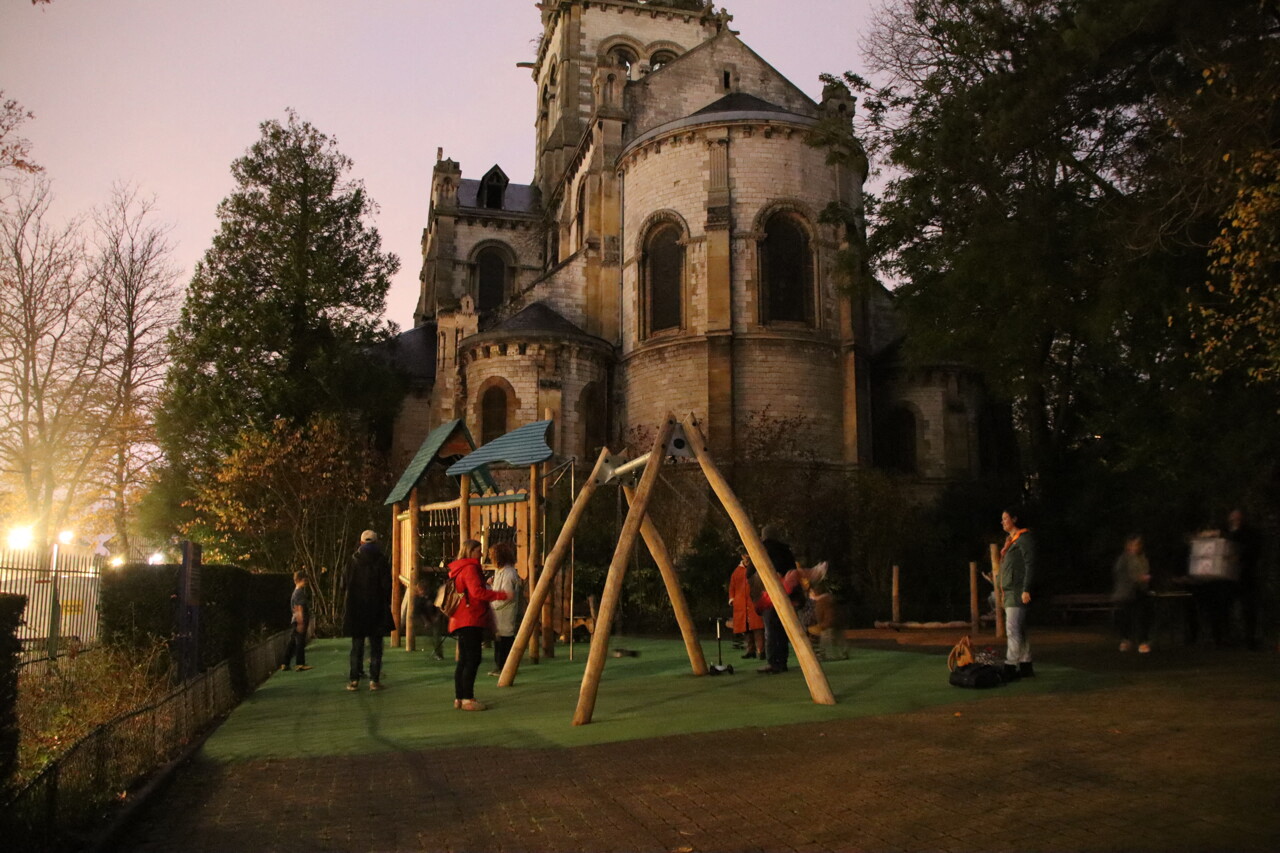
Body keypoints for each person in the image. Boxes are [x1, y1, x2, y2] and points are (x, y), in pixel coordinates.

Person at [448, 539, 509, 710]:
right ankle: (468, 697)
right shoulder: (470, 568)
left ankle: (459, 697)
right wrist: (500, 595)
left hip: (461, 617)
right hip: (471, 617)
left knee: (464, 660)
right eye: (478, 550)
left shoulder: (459, 568)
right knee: (473, 658)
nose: (481, 554)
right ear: (470, 551)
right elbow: (477, 592)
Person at [343, 529, 393, 692]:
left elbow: (345, 584)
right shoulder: (382, 560)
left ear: (361, 542)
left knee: (357, 646)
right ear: (376, 542)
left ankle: (354, 680)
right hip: (377, 608)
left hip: (357, 608)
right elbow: (387, 586)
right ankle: (374, 680)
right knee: (376, 646)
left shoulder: (353, 560)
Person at [754, 524, 798, 675]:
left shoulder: (764, 549)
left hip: (771, 594)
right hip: (787, 593)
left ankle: (773, 662)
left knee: (771, 629)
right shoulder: (786, 550)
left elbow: (753, 570)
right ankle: (782, 661)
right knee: (782, 628)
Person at [998, 508, 1035, 679]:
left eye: (1006, 518)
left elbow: (1030, 563)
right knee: (1019, 628)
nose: (1003, 522)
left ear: (1014, 519)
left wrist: (1026, 588)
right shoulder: (1011, 541)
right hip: (1010, 590)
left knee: (1012, 629)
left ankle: (1011, 665)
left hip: (1017, 590)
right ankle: (1026, 664)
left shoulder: (1023, 539)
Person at [1226, 509, 1263, 650]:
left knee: (1248, 607)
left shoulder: (1250, 533)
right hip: (1229, 577)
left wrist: (1240, 559)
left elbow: (1253, 551)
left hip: (1246, 575)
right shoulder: (1228, 532)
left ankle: (1250, 638)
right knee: (1231, 607)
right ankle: (1232, 637)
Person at [1112, 534, 1153, 653]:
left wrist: (1144, 580)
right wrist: (1140, 578)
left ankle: (1142, 642)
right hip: (1127, 592)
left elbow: (1145, 571)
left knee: (1143, 617)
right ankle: (1126, 640)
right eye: (1134, 544)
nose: (1137, 546)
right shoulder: (1124, 558)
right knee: (1126, 618)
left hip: (1140, 591)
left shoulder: (1142, 558)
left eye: (1139, 544)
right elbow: (1126, 574)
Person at [488, 541, 521, 677]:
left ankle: (505, 667)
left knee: (505, 639)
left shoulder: (508, 573)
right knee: (498, 639)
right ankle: (499, 666)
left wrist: (493, 605)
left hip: (504, 611)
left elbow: (507, 595)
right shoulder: (500, 571)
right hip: (498, 611)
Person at [728, 549, 763, 659]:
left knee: (758, 628)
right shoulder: (737, 572)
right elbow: (732, 587)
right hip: (742, 604)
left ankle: (761, 650)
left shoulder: (756, 568)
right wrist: (733, 599)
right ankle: (750, 650)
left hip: (754, 602)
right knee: (746, 629)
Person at [281, 570, 313, 671]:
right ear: (300, 580)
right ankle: (300, 664)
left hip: (296, 620)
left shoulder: (295, 592)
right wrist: (301, 621)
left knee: (292, 642)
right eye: (305, 579)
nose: (306, 581)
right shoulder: (299, 593)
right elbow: (299, 607)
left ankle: (285, 663)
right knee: (300, 642)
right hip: (299, 620)